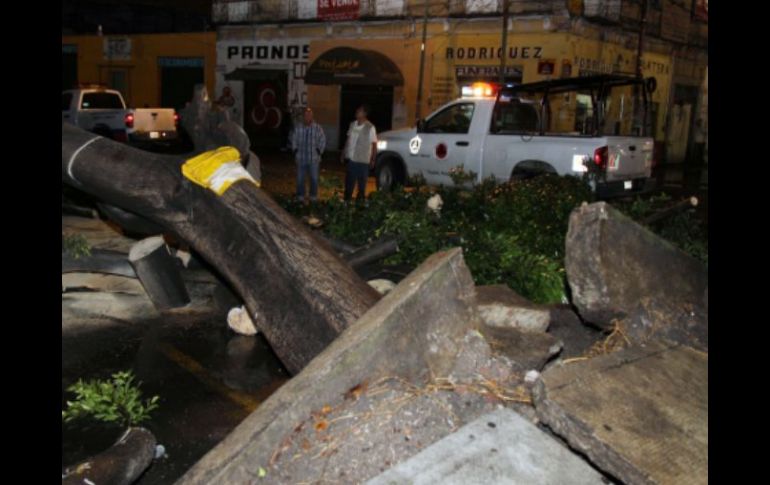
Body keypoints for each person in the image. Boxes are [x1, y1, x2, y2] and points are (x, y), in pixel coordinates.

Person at [342, 105, 377, 202]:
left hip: (363, 161)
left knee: (361, 187)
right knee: (349, 185)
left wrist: (373, 159)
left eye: (359, 110)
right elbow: (348, 139)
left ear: (365, 114)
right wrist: (343, 152)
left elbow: (374, 144)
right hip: (351, 159)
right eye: (357, 110)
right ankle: (346, 204)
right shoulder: (352, 124)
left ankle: (359, 207)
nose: (357, 111)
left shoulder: (370, 127)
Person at [290, 107, 326, 202]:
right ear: (303, 116)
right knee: (300, 179)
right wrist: (295, 150)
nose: (307, 117)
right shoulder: (298, 127)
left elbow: (322, 140)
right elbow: (294, 139)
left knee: (314, 179)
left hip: (314, 159)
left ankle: (313, 196)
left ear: (312, 116)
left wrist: (319, 151)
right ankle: (300, 196)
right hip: (301, 158)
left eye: (309, 115)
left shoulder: (318, 128)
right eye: (306, 115)